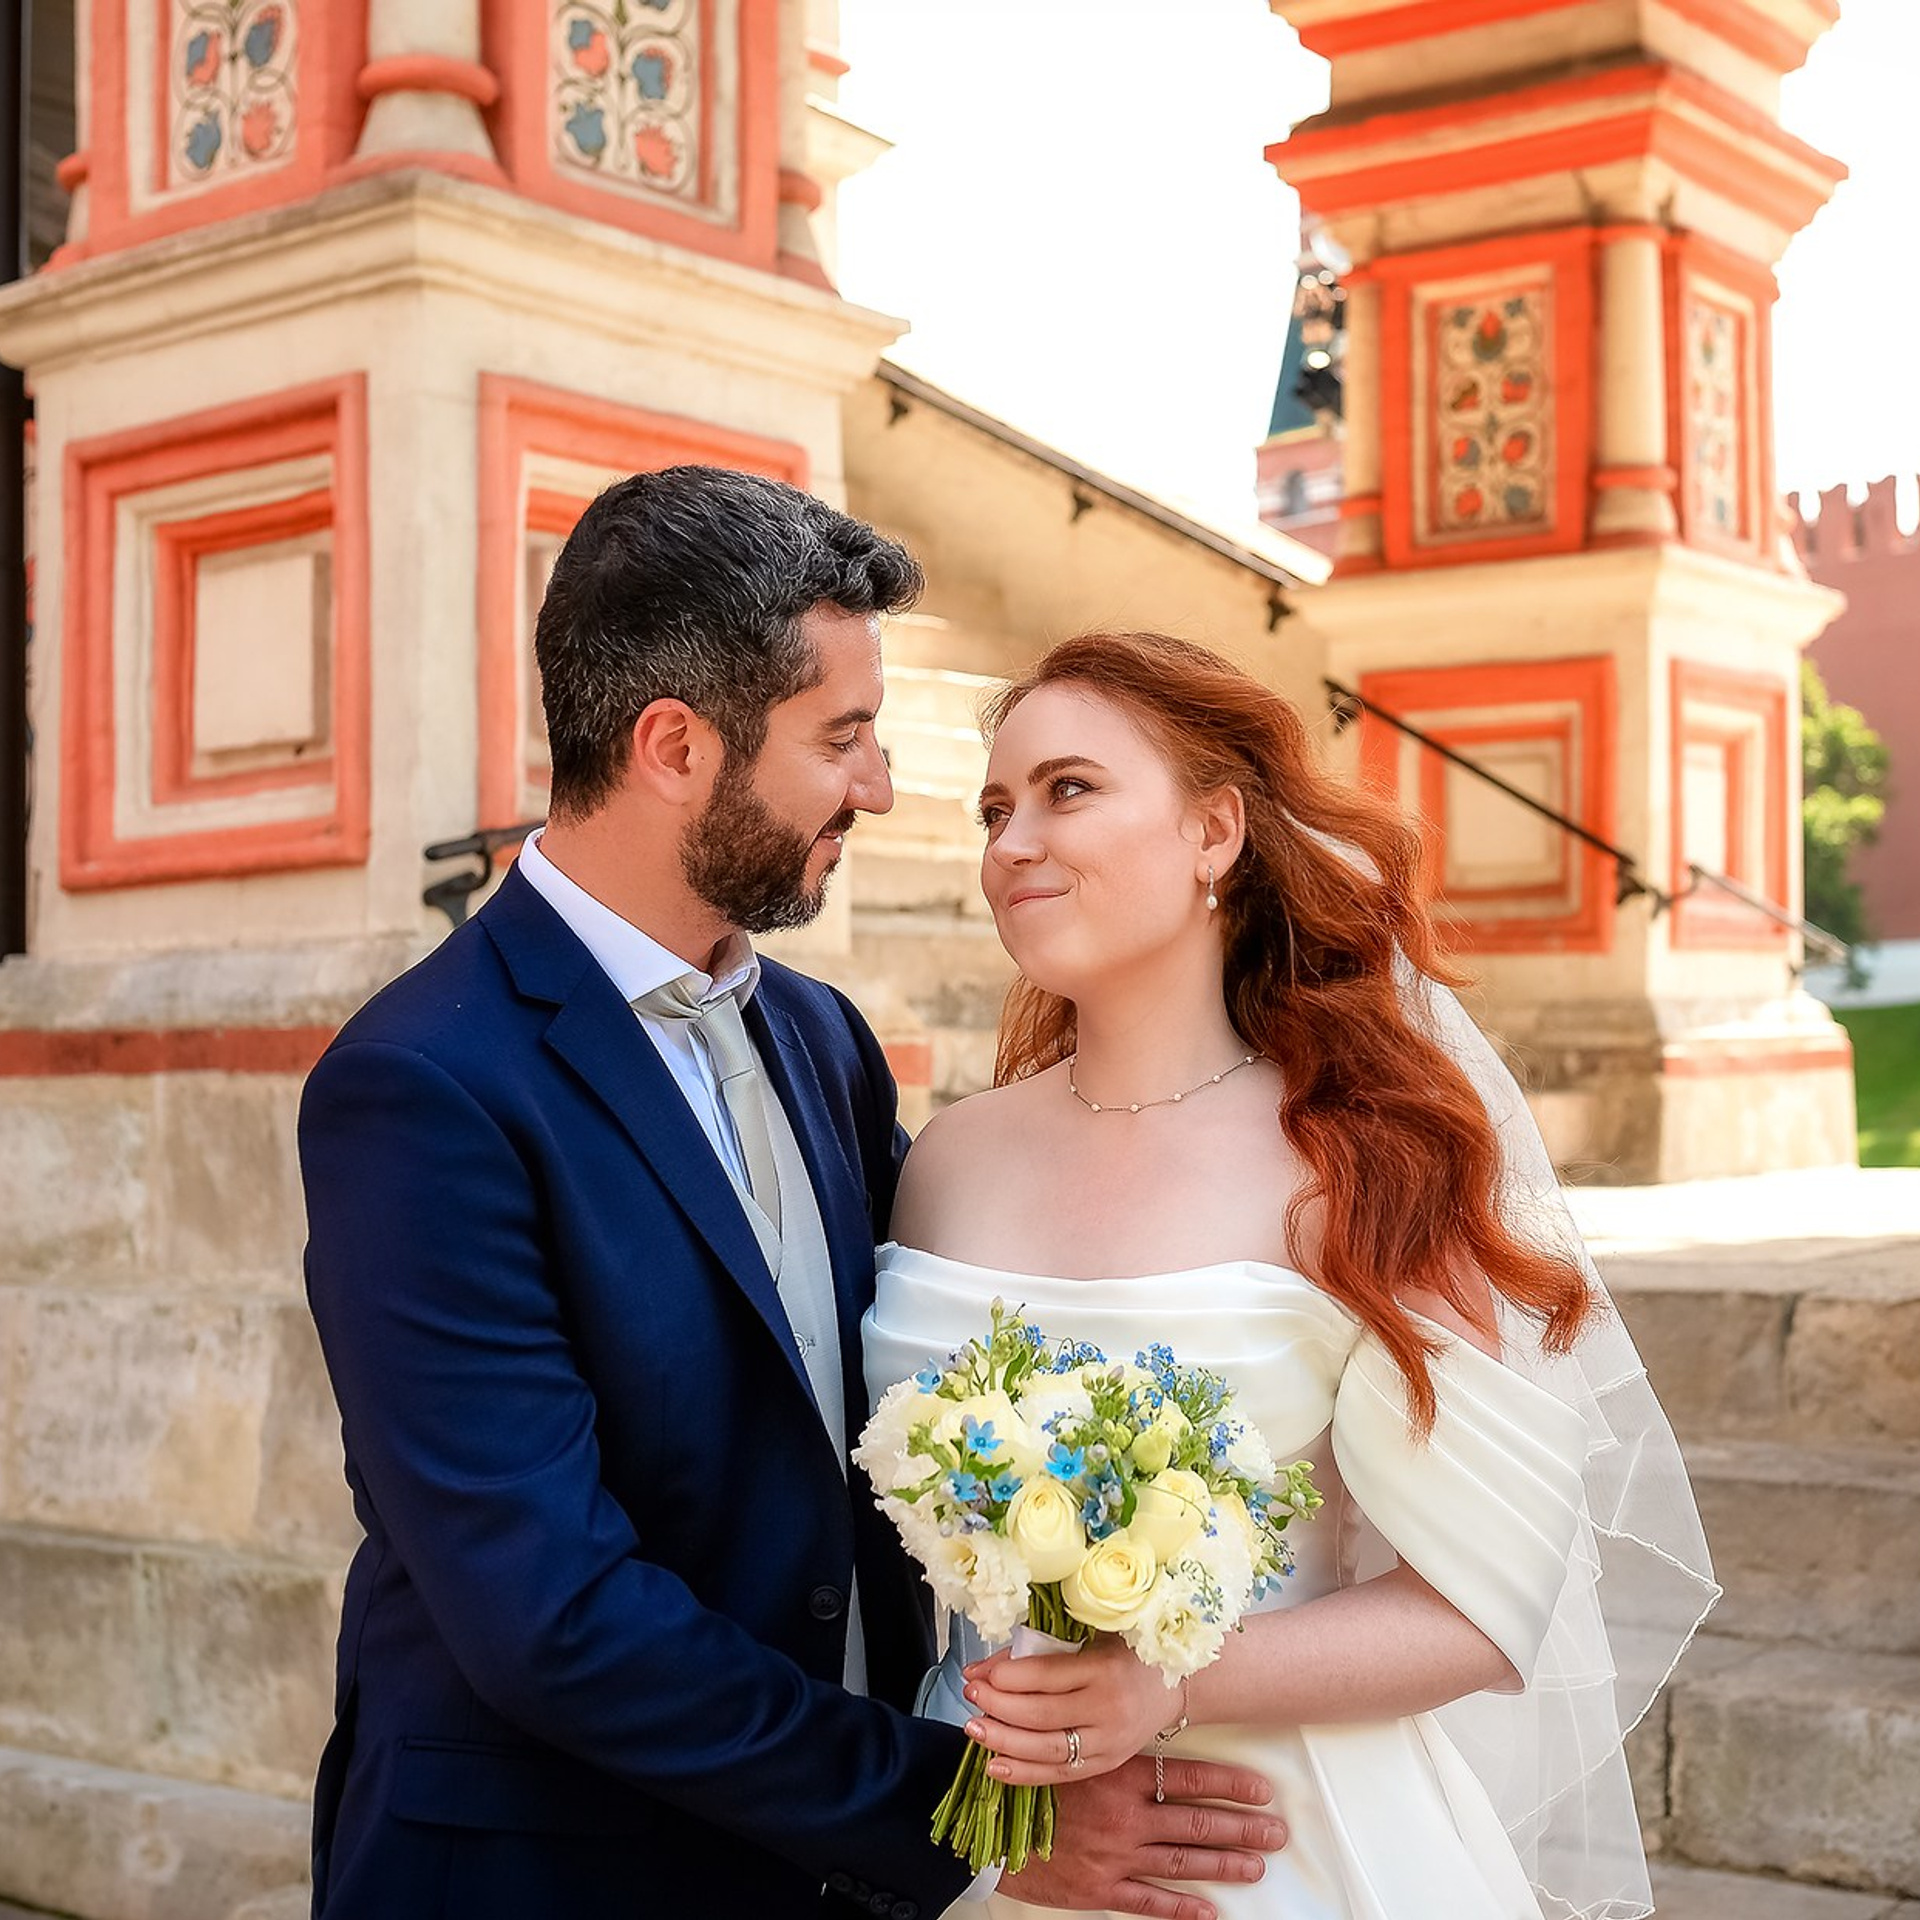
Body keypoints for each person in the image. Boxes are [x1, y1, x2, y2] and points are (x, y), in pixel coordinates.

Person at [298, 473, 1286, 1920]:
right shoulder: (421, 1085)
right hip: (552, 1872)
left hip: (821, 1876)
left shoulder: (819, 1040)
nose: (882, 789)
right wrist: (961, 1819)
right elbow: (550, 1616)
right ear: (676, 746)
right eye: (845, 739)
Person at [863, 631, 1719, 1920]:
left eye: (1069, 790)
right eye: (995, 808)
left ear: (1216, 832)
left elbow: (1485, 1611)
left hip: (1276, 1852)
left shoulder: (1358, 1165)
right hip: (992, 1839)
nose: (1011, 844)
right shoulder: (947, 1160)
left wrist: (1173, 1683)